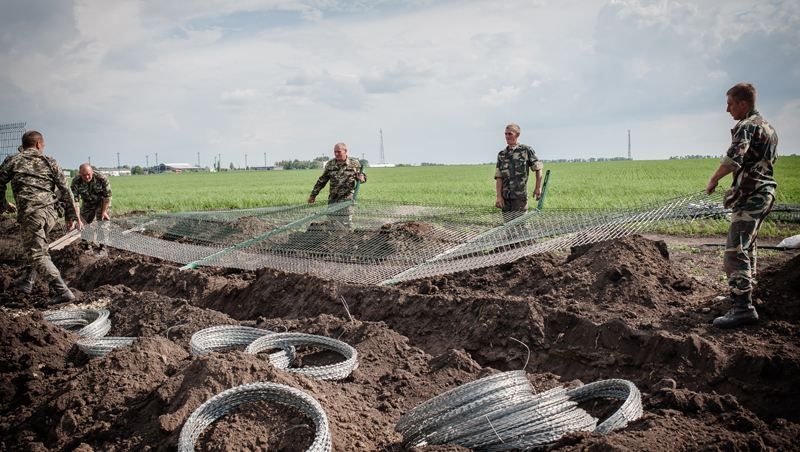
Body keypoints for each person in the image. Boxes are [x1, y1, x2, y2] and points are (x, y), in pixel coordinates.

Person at [705, 82, 778, 329]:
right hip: (764, 192)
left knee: (734, 252)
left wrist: (715, 178)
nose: (728, 110)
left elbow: (735, 157)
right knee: (747, 247)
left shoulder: (746, 127)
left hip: (752, 195)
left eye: (730, 104)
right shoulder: (768, 128)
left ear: (743, 104)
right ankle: (744, 296)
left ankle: (742, 308)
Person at [0, 130, 83, 304]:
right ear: (38, 145)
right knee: (38, 246)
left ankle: (63, 292)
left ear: (24, 145)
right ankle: (28, 281)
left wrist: (4, 204)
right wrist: (70, 216)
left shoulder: (13, 160)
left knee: (37, 253)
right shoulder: (50, 161)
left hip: (32, 214)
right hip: (52, 213)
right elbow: (65, 190)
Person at [494, 123, 543, 221]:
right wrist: (499, 196)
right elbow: (499, 177)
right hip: (505, 198)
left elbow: (538, 168)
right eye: (505, 134)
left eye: (510, 134)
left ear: (517, 135)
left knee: (522, 226)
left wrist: (538, 188)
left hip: (519, 197)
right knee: (507, 227)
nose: (507, 136)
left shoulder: (526, 150)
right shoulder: (502, 154)